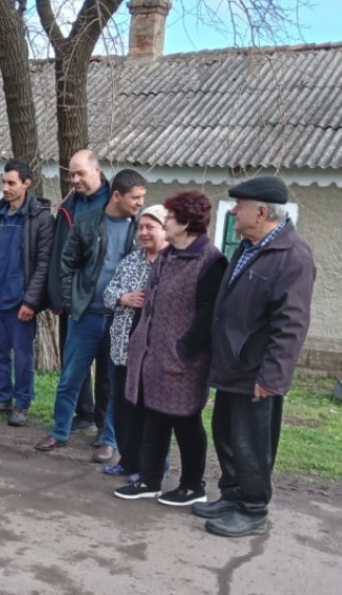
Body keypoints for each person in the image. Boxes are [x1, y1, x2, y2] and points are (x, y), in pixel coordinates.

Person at [195, 176, 315, 538]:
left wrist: (273, 378)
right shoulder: (249, 246)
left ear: (261, 212)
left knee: (252, 444)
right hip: (233, 365)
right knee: (227, 435)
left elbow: (291, 325)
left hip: (256, 372)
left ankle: (252, 508)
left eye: (240, 206)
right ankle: (231, 496)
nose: (234, 211)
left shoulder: (292, 257)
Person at [114, 191, 227, 506]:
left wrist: (184, 349)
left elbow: (208, 314)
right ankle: (150, 481)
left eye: (171, 217)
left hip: (183, 360)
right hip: (152, 354)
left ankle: (193, 486)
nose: (166, 222)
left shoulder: (210, 260)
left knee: (186, 420)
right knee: (155, 417)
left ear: (187, 223)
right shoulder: (167, 255)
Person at [35, 169, 145, 453]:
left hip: (120, 320)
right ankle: (59, 431)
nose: (139, 203)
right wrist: (72, 302)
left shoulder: (139, 228)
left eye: (142, 198)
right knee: (71, 376)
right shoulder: (86, 223)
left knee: (112, 380)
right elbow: (66, 264)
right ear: (117, 195)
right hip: (85, 315)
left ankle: (108, 439)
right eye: (136, 197)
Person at [0, 159, 54, 427]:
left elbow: (43, 263)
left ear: (27, 183)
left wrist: (31, 300)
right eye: (3, 182)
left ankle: (22, 404)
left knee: (22, 356)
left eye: (11, 183)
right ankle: (2, 398)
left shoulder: (40, 217)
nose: (5, 188)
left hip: (21, 303)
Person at [46, 150, 112, 444]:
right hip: (75, 300)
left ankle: (103, 424)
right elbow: (59, 254)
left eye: (80, 174)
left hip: (109, 302)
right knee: (74, 366)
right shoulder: (68, 207)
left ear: (97, 171)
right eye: (71, 174)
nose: (74, 180)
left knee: (108, 369)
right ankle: (82, 415)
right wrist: (59, 297)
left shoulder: (117, 203)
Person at [101, 205, 168, 482]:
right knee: (123, 407)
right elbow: (108, 292)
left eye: (150, 227)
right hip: (121, 348)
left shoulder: (171, 263)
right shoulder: (130, 260)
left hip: (152, 354)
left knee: (149, 413)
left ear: (165, 229)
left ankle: (152, 466)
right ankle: (128, 461)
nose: (143, 232)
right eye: (140, 227)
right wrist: (122, 298)